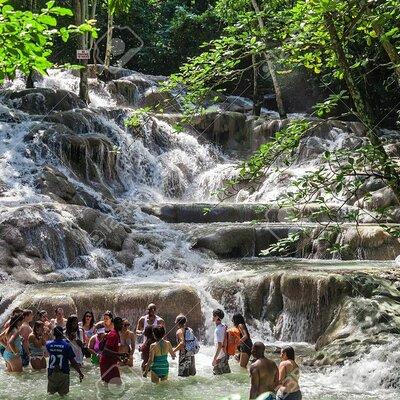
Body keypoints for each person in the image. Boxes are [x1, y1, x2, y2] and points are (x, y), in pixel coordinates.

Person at [46, 326, 84, 396]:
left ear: (54, 334)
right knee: (63, 396)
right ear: (62, 334)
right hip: (64, 373)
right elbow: (73, 361)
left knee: (51, 395)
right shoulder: (67, 346)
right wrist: (80, 372)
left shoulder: (48, 344)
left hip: (52, 373)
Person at [100, 316, 128, 385]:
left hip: (111, 362)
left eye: (122, 324)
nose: (122, 326)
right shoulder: (113, 335)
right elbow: (106, 350)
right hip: (107, 363)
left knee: (114, 384)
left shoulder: (116, 333)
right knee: (116, 383)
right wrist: (120, 354)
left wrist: (119, 359)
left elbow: (111, 350)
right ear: (115, 324)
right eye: (120, 324)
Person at [212, 308, 230, 375]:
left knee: (217, 379)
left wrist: (214, 359)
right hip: (224, 356)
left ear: (217, 317)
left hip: (219, 358)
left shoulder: (218, 330)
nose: (212, 317)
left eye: (213, 316)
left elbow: (219, 345)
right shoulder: (224, 326)